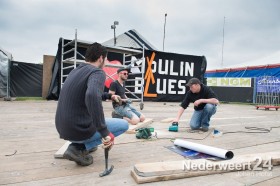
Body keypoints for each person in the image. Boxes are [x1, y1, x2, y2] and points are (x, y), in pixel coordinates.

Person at [55, 42, 129, 166]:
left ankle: (85, 144)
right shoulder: (97, 72)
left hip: (63, 128)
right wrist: (104, 132)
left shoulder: (75, 71)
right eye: (105, 60)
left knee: (99, 122)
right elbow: (91, 95)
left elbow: (87, 93)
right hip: (78, 129)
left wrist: (109, 96)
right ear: (100, 58)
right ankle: (79, 148)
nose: (105, 63)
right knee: (124, 124)